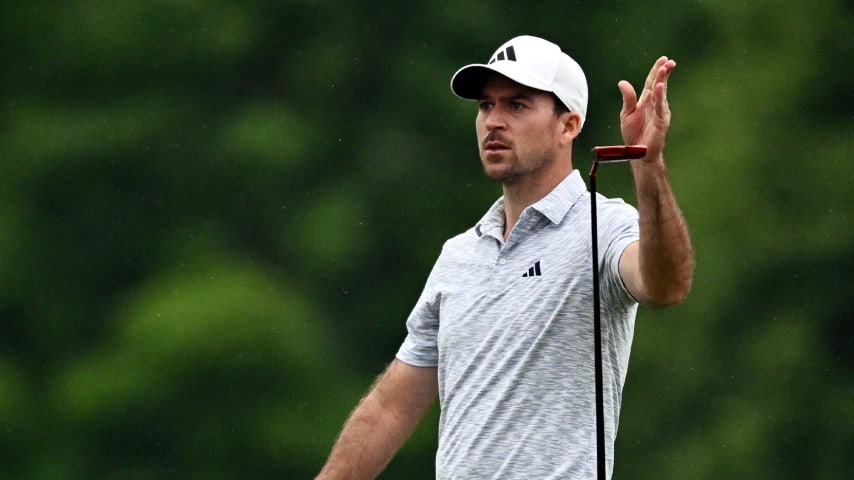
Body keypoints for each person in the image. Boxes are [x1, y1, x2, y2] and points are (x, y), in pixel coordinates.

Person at [315, 35, 694, 479]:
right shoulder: (459, 255)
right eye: (485, 106)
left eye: (516, 105)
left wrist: (648, 165)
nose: (493, 121)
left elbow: (666, 286)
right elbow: (390, 408)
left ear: (568, 125)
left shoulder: (603, 226)